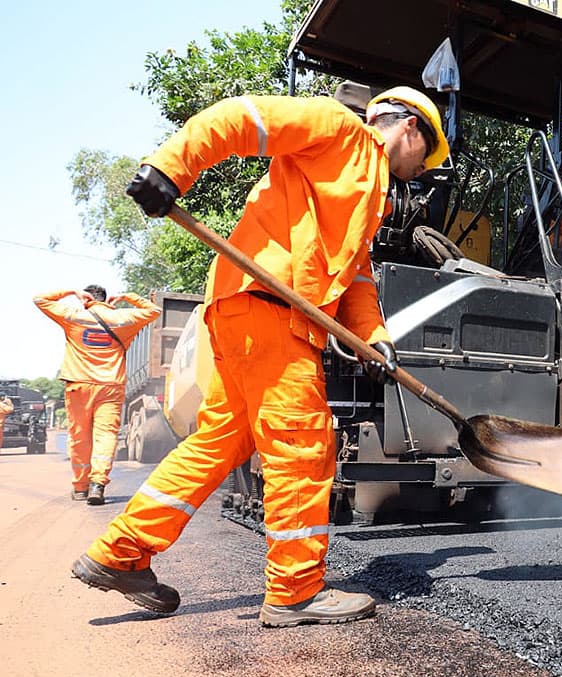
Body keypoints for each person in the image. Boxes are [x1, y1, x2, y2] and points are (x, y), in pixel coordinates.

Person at [71, 87, 449, 628]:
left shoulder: (371, 191)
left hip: (244, 312)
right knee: (303, 441)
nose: (419, 173)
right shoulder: (338, 129)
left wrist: (376, 336)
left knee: (218, 442)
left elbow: (356, 274)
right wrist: (169, 168)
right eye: (424, 159)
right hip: (266, 308)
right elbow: (242, 118)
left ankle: (119, 553)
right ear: (411, 128)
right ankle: (295, 591)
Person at [33, 286, 161, 502]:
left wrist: (71, 292)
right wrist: (126, 297)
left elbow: (39, 298)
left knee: (79, 436)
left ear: (87, 299)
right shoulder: (122, 318)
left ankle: (81, 487)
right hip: (110, 387)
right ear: (107, 300)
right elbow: (154, 310)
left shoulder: (74, 316)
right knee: (106, 435)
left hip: (78, 385)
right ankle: (97, 484)